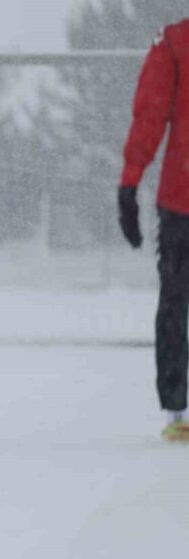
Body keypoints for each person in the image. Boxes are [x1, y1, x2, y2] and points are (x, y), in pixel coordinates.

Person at [118, 18, 189, 441]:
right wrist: (130, 181)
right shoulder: (175, 44)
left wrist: (130, 182)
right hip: (181, 202)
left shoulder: (175, 42)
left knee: (176, 302)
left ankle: (177, 410)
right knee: (175, 303)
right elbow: (152, 112)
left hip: (181, 200)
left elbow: (151, 114)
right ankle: (177, 409)